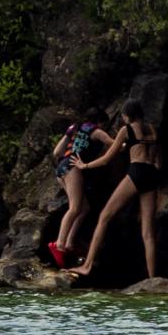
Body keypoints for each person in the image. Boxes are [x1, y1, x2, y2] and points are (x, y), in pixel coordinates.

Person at [67, 100, 160, 282]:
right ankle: (153, 278)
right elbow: (158, 160)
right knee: (148, 232)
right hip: (152, 174)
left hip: (137, 171)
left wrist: (84, 165)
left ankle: (87, 266)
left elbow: (106, 159)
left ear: (127, 116)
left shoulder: (127, 130)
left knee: (104, 217)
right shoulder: (152, 129)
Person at [46, 114, 117, 269]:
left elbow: (57, 152)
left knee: (84, 208)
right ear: (100, 122)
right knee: (75, 208)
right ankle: (58, 245)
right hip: (72, 168)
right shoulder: (96, 131)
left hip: (61, 168)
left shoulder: (74, 129)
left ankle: (69, 243)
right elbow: (113, 144)